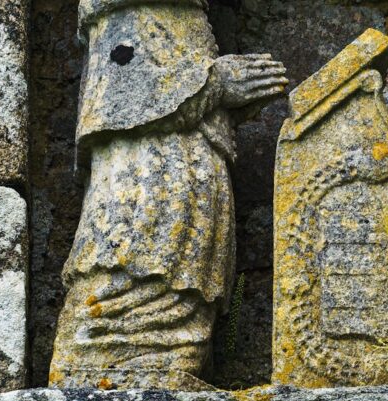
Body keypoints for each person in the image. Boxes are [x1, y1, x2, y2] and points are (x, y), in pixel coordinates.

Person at [49, 0, 288, 390]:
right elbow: (121, 93)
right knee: (130, 271)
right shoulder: (121, 12)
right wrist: (214, 83)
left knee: (183, 302)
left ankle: (166, 367)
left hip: (189, 164)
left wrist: (223, 100)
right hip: (148, 168)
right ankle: (99, 363)